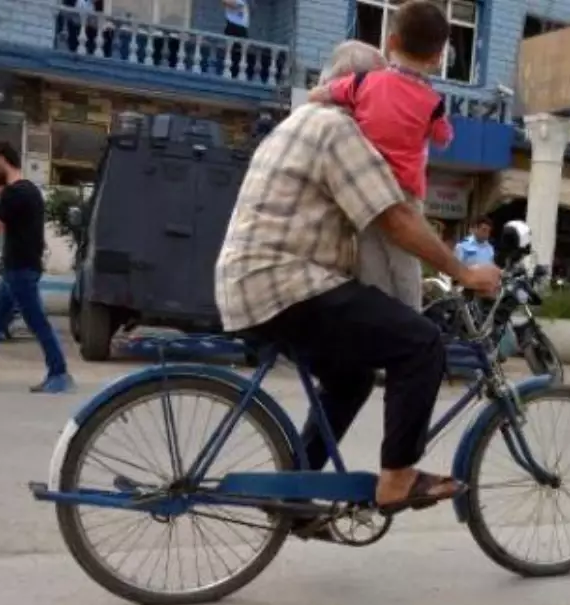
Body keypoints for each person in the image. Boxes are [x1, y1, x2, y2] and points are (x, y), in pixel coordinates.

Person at [214, 41, 500, 530]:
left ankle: (295, 495)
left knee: (352, 378)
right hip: (287, 283)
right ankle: (398, 478)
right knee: (420, 343)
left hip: (253, 283)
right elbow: (395, 218)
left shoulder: (294, 124)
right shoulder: (336, 129)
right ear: (365, 93)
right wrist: (464, 272)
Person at [307, 0, 453, 202]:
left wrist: (315, 91)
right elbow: (443, 139)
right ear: (437, 58)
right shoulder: (434, 103)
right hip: (403, 192)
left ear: (391, 42)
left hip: (362, 179)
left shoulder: (364, 81)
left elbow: (318, 95)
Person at [0, 142, 74, 393]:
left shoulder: (16, 193)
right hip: (19, 269)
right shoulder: (27, 190)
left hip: (20, 270)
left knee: (37, 322)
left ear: (2, 160)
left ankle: (59, 372)